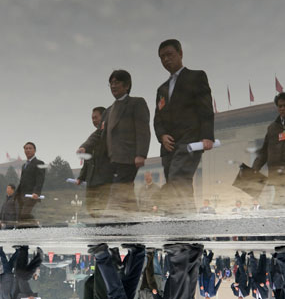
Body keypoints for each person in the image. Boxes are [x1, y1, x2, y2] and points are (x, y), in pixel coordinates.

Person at [153, 39, 215, 215]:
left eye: (169, 55)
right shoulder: (162, 89)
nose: (166, 59)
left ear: (180, 53)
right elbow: (158, 119)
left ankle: (182, 227)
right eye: (162, 57)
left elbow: (206, 108)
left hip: (190, 140)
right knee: (177, 183)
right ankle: (181, 227)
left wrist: (207, 136)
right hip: (169, 146)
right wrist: (162, 136)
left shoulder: (196, 77)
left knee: (179, 179)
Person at [79, 70, 151, 216]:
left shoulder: (136, 103)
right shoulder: (108, 111)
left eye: (117, 82)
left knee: (117, 192)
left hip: (128, 158)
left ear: (127, 85)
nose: (113, 86)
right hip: (111, 161)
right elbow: (99, 133)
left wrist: (141, 154)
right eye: (111, 83)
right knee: (124, 192)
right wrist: (85, 146)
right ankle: (133, 225)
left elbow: (143, 130)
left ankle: (107, 227)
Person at [76, 106, 112, 218]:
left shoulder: (111, 135)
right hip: (92, 180)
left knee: (102, 208)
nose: (94, 120)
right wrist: (81, 177)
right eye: (92, 118)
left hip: (105, 179)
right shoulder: (93, 138)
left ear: (104, 117)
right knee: (91, 208)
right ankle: (98, 229)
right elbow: (87, 160)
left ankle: (104, 232)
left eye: (96, 117)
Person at [16, 142, 45, 228]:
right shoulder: (24, 165)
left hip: (32, 195)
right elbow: (22, 181)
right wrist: (16, 194)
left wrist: (36, 192)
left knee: (24, 214)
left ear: (34, 150)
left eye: (30, 148)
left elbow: (40, 179)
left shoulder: (39, 163)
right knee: (21, 215)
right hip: (22, 196)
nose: (28, 150)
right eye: (26, 148)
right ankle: (26, 230)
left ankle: (36, 226)